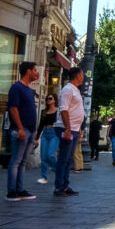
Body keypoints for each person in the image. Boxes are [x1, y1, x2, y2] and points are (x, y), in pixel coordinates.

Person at [6, 61, 39, 201]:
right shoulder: (16, 88)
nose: (37, 73)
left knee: (23, 161)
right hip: (21, 129)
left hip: (29, 130)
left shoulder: (28, 89)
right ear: (28, 71)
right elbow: (13, 109)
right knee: (16, 160)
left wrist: (34, 130)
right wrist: (20, 128)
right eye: (35, 70)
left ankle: (19, 189)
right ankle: (11, 191)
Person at [53, 67, 85, 196]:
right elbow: (64, 109)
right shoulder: (67, 90)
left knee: (69, 158)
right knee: (63, 158)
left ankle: (65, 185)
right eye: (82, 74)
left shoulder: (75, 90)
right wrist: (67, 128)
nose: (83, 77)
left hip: (74, 129)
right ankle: (59, 187)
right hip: (67, 128)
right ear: (78, 76)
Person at [36, 93, 59, 185]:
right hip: (45, 133)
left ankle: (57, 169)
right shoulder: (44, 111)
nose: (48, 100)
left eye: (50, 98)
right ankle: (44, 177)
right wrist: (36, 138)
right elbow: (41, 125)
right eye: (47, 99)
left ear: (55, 100)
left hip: (54, 133)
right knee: (43, 156)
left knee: (51, 155)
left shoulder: (58, 111)